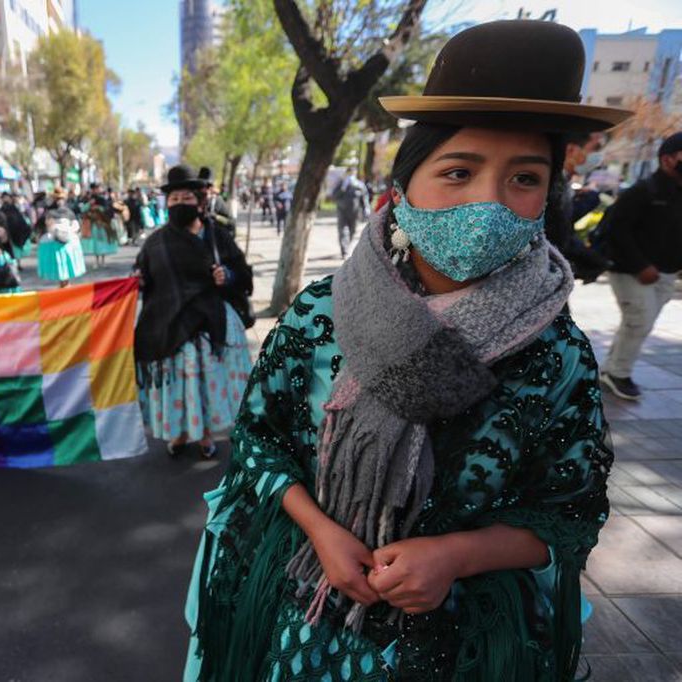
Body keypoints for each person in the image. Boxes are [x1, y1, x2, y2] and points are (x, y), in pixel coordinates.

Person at [184, 20, 629, 681]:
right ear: (401, 185)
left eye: (524, 178)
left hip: (466, 647)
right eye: (457, 171)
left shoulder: (555, 352)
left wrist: (456, 556)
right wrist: (321, 531)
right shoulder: (317, 315)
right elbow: (259, 440)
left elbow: (570, 510)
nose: (488, 202)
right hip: (307, 620)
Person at [134, 165, 253, 460]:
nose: (179, 204)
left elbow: (242, 272)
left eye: (185, 198)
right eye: (173, 199)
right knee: (180, 384)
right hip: (171, 324)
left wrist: (228, 275)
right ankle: (180, 433)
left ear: (198, 201)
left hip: (212, 324)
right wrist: (138, 277)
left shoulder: (218, 236)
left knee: (205, 384)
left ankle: (206, 434)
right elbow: (143, 273)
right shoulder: (156, 241)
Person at [594, 131, 682, 400]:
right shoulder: (642, 191)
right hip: (632, 272)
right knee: (639, 321)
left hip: (665, 274)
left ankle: (610, 369)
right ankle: (619, 373)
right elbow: (616, 231)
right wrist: (641, 265)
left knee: (639, 324)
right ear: (668, 159)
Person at [544, 132, 611, 283]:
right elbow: (557, 226)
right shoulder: (552, 182)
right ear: (571, 150)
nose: (597, 156)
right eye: (595, 148)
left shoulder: (562, 182)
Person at [36, 187, 87, 288]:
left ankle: (66, 283)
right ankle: (63, 283)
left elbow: (75, 224)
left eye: (61, 199)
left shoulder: (68, 211)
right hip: (55, 243)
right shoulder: (49, 212)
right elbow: (41, 225)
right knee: (60, 265)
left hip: (66, 242)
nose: (60, 201)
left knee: (65, 264)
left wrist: (69, 231)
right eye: (58, 199)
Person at [331, 167, 370, 257]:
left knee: (352, 230)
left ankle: (347, 245)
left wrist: (366, 209)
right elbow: (333, 196)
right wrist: (343, 188)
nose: (351, 175)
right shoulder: (341, 184)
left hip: (355, 212)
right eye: (350, 173)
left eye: (353, 173)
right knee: (343, 231)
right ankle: (344, 250)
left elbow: (364, 198)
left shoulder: (359, 185)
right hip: (342, 211)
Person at [81, 191, 120, 267]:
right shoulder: (90, 207)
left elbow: (106, 215)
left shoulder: (101, 208)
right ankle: (97, 261)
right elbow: (83, 210)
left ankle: (102, 261)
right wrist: (89, 204)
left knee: (102, 243)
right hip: (95, 227)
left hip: (102, 227)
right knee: (96, 244)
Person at [0, 191, 34, 261]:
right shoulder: (1, 209)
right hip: (7, 231)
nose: (5, 199)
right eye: (4, 198)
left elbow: (19, 218)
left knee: (15, 248)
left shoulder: (14, 208)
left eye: (6, 197)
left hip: (16, 230)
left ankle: (17, 262)